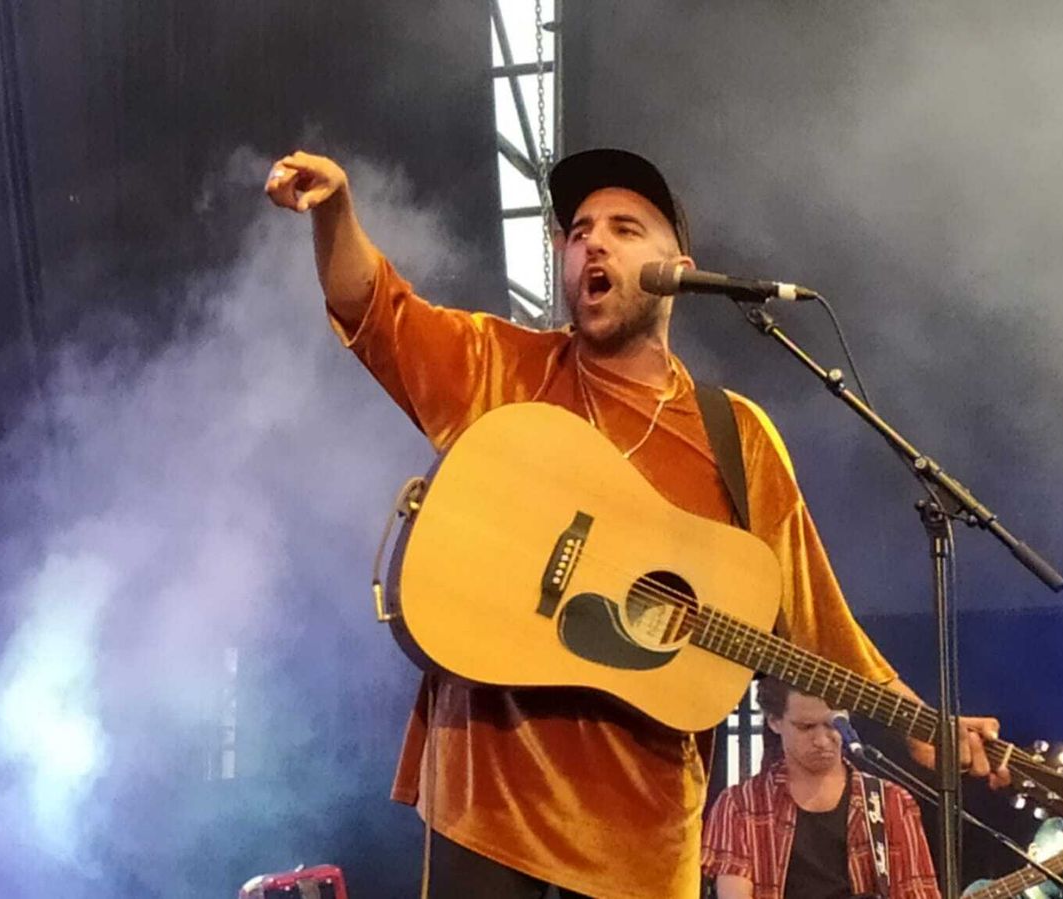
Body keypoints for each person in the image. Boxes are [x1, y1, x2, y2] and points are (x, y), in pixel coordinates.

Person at [265, 147, 1007, 899]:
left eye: (624, 228)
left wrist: (914, 718)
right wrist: (335, 212)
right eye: (580, 229)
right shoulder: (509, 372)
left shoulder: (735, 434)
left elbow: (813, 614)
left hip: (640, 833)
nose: (592, 241)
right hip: (490, 794)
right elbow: (378, 314)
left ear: (676, 267)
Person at [703, 679, 941, 899]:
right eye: (806, 727)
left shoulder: (892, 802)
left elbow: (918, 891)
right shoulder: (739, 805)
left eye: (832, 725)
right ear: (774, 721)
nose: (822, 740)